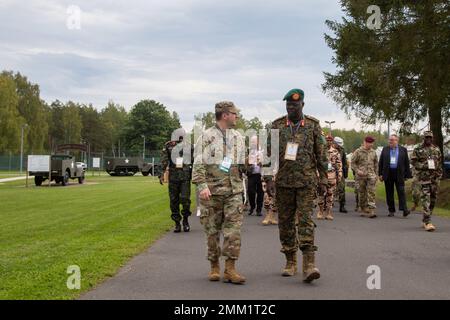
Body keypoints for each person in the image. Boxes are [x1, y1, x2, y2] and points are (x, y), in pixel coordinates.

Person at [267, 88, 327, 283]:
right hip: (283, 183)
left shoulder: (312, 126)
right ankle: (290, 260)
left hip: (306, 182)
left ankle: (309, 265)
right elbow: (269, 155)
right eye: (288, 105)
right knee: (285, 224)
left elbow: (321, 155)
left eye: (294, 105)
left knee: (305, 221)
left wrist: (324, 179)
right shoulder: (276, 126)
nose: (290, 108)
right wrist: (268, 179)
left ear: (302, 104)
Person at [192, 101, 247, 284]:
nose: (237, 116)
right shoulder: (206, 136)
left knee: (233, 232)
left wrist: (251, 162)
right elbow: (198, 163)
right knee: (212, 232)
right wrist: (202, 186)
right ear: (225, 115)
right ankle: (214, 266)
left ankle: (230, 269)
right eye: (234, 113)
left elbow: (240, 163)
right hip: (212, 192)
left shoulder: (238, 136)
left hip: (234, 191)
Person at [160, 128, 194, 233]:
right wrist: (161, 174)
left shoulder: (189, 146)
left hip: (185, 177)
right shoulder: (168, 146)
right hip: (173, 177)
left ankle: (185, 220)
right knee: (173, 201)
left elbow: (194, 161)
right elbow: (164, 161)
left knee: (185, 199)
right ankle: (177, 223)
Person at [410, 131, 443, 232]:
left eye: (430, 137)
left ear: (432, 138)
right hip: (423, 178)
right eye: (426, 137)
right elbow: (413, 161)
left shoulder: (436, 149)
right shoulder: (418, 149)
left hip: (434, 178)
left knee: (433, 199)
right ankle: (428, 221)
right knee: (426, 198)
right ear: (423, 138)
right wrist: (423, 166)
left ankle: (426, 218)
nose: (428, 139)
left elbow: (439, 163)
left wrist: (439, 175)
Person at [378, 134, 412, 217]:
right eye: (389, 140)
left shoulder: (403, 150)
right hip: (388, 173)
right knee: (389, 193)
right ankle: (391, 210)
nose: (390, 141)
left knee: (401, 192)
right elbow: (381, 162)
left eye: (392, 140)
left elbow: (406, 163)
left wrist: (407, 174)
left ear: (397, 141)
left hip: (399, 173)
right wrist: (380, 174)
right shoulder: (385, 149)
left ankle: (404, 209)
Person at [351, 136, 378, 218]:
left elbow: (376, 163)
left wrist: (376, 174)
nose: (371, 144)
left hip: (371, 175)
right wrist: (357, 170)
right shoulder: (358, 152)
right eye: (369, 143)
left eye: (372, 143)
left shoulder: (373, 152)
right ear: (365, 142)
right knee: (362, 193)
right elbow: (352, 163)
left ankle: (372, 210)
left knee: (372, 192)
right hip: (361, 175)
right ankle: (363, 208)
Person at [317, 135, 342, 220]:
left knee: (330, 195)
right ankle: (320, 211)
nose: (328, 142)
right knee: (321, 194)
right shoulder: (320, 151)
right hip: (321, 176)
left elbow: (339, 164)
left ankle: (328, 213)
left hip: (332, 176)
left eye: (330, 140)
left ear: (332, 142)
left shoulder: (335, 152)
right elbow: (316, 163)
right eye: (327, 140)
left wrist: (339, 175)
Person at [247, 136, 264, 216]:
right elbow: (244, 162)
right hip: (252, 174)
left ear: (258, 142)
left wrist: (262, 163)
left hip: (261, 174)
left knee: (260, 192)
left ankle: (259, 209)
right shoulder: (248, 150)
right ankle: (252, 206)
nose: (253, 143)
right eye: (252, 141)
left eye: (254, 141)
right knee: (251, 191)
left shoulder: (263, 151)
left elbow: (268, 161)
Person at [334, 136, 348, 213]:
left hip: (340, 172)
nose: (339, 146)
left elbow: (345, 162)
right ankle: (325, 206)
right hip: (330, 171)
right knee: (327, 189)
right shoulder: (327, 149)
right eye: (338, 144)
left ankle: (342, 206)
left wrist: (345, 173)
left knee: (342, 189)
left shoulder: (342, 150)